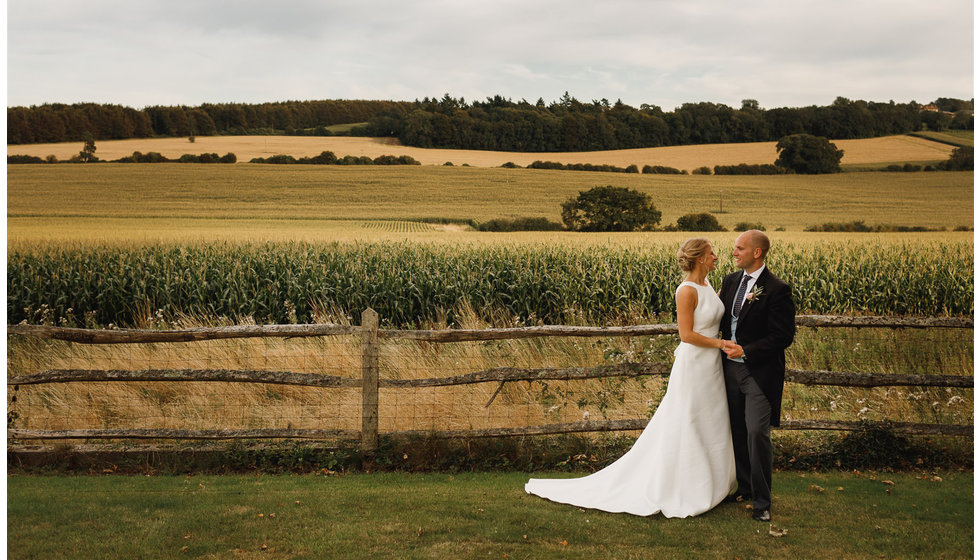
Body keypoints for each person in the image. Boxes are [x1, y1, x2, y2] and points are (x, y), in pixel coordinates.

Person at [524, 238, 735, 518]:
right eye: (711, 254)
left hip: (712, 366)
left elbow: (715, 312)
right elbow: (686, 335)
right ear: (699, 258)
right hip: (694, 364)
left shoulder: (709, 286)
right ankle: (686, 485)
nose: (716, 257)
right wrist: (721, 345)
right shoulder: (685, 291)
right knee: (689, 419)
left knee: (712, 418)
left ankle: (716, 481)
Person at [719, 230, 795, 522]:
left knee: (756, 432)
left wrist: (746, 351)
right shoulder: (730, 281)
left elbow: (782, 336)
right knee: (736, 429)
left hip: (758, 372)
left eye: (739, 248)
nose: (734, 252)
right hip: (727, 369)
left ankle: (763, 502)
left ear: (757, 253)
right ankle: (746, 487)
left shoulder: (777, 289)